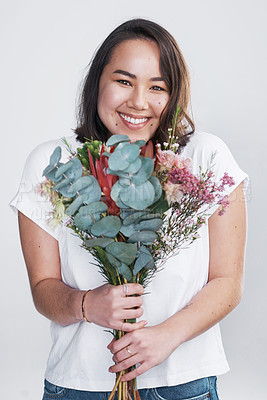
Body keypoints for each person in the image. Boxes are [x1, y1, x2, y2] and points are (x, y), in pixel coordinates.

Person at [10, 18, 247, 400]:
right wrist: (87, 304)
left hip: (183, 385)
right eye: (124, 81)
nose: (138, 101)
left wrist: (164, 339)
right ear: (97, 82)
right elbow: (43, 290)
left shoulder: (204, 158)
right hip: (80, 386)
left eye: (157, 87)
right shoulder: (53, 165)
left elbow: (228, 283)